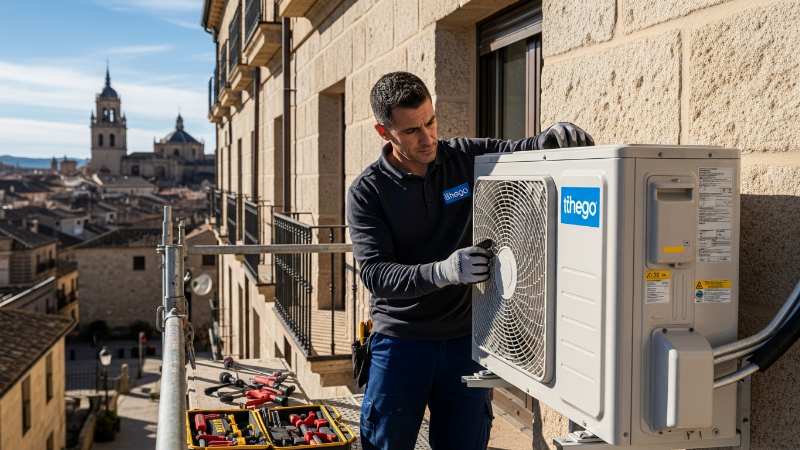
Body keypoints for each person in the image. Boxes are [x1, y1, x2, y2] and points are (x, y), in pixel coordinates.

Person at [347, 71, 594, 450]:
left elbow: (524, 150)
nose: (427, 138)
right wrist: (444, 271)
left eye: (430, 122)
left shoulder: (465, 157)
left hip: (467, 343)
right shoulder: (368, 191)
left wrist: (552, 137)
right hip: (400, 345)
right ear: (385, 133)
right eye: (412, 131)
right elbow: (377, 274)